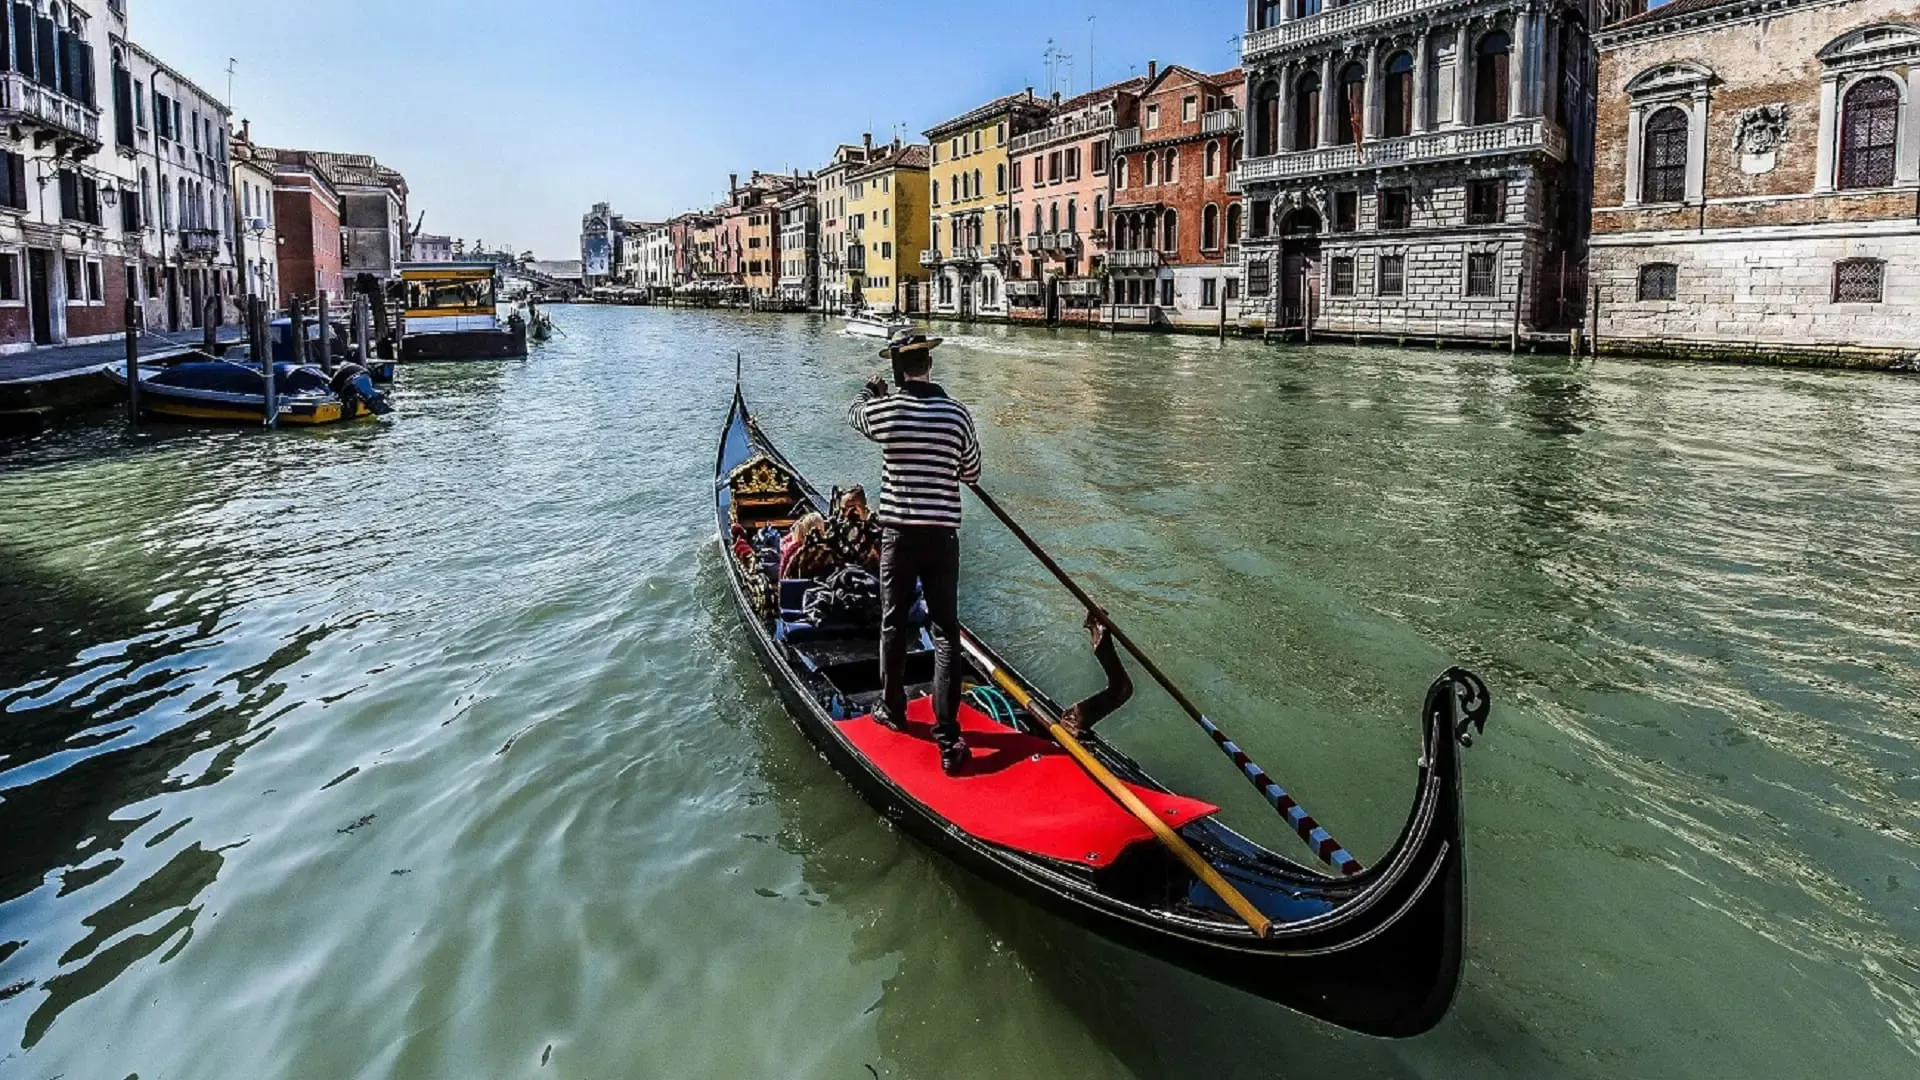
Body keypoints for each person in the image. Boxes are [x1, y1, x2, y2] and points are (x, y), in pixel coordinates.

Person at [848, 333, 980, 775]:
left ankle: (893, 708)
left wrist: (871, 393)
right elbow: (972, 471)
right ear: (929, 366)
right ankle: (948, 736)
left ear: (898, 372)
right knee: (945, 633)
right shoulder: (957, 414)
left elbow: (854, 416)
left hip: (899, 534)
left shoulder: (887, 411)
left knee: (893, 621)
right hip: (942, 536)